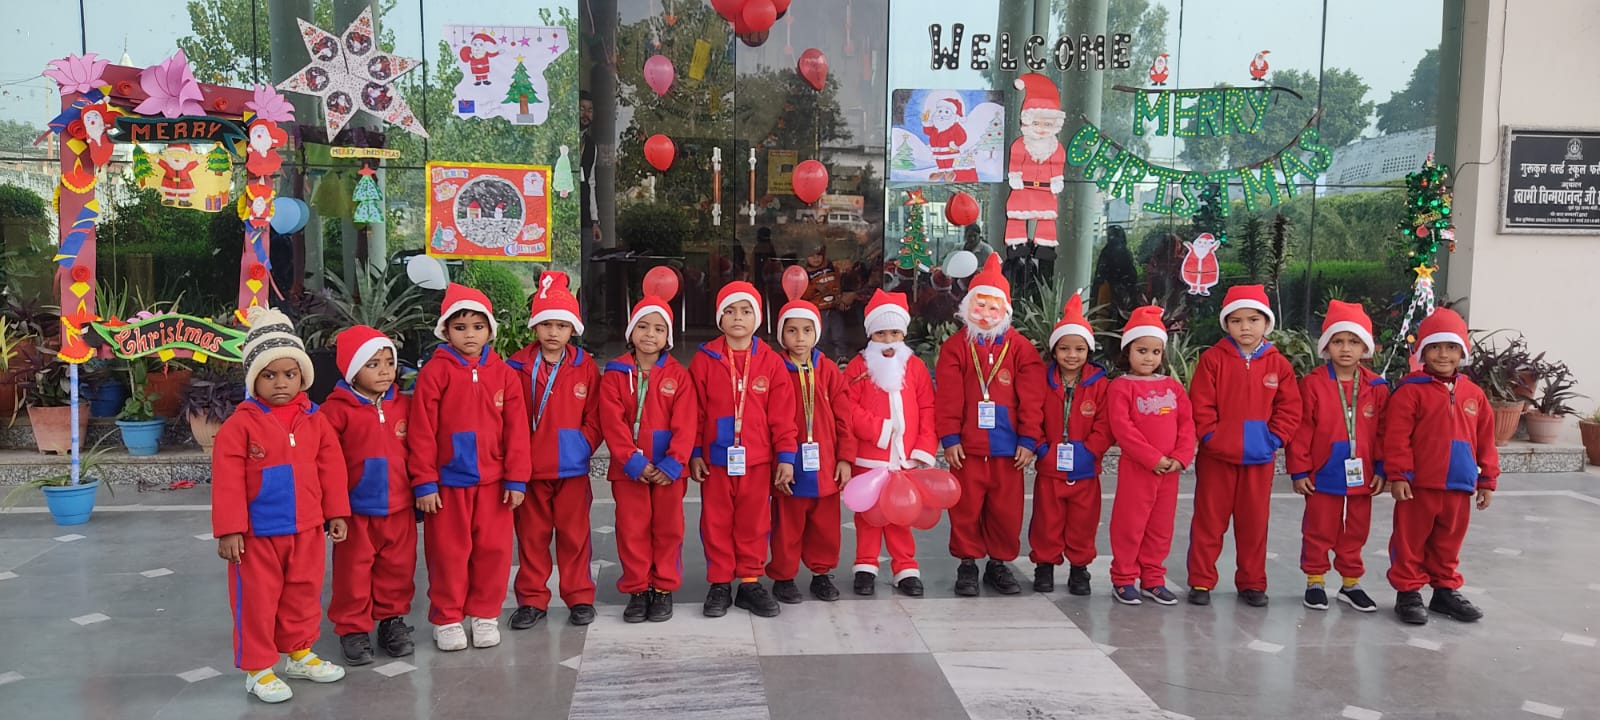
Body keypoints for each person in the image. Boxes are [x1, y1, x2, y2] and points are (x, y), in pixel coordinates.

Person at [212, 307, 350, 704]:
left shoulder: (315, 419)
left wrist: (336, 512)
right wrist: (230, 529)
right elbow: (227, 482)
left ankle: (299, 652)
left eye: (290, 374)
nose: (281, 383)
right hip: (257, 536)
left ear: (303, 376)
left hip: (307, 528)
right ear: (254, 377)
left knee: (303, 593)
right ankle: (257, 668)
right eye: (269, 375)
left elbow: (331, 467)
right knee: (256, 600)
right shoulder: (240, 426)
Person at [410, 284, 532, 651]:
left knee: (494, 552)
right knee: (448, 552)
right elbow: (421, 431)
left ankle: (484, 613)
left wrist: (517, 478)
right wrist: (425, 482)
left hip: (495, 484)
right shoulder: (434, 373)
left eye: (478, 327)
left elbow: (517, 431)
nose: (469, 334)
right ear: (445, 330)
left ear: (490, 331)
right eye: (460, 327)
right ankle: (447, 617)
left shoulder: (505, 374)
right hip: (447, 485)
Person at [935, 253, 1045, 596]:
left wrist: (1029, 440)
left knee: (1006, 513)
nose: (984, 314)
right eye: (978, 306)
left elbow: (1032, 399)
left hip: (1008, 450)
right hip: (966, 450)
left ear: (1005, 312)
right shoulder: (955, 348)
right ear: (967, 308)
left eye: (992, 307)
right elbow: (949, 398)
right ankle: (967, 564)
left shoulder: (1022, 349)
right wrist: (950, 437)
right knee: (965, 509)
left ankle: (998, 563)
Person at [1186, 284, 1302, 607]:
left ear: (1267, 323)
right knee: (1209, 520)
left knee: (1254, 524)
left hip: (1260, 460)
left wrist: (1274, 439)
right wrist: (1210, 436)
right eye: (1236, 321)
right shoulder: (1212, 360)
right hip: (1216, 459)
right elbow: (1201, 405)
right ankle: (1201, 580)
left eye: (1253, 319)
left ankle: (1252, 582)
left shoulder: (1279, 365)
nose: (1245, 327)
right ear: (1226, 324)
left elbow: (1290, 408)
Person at [688, 282, 799, 618]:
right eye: (731, 311)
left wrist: (786, 456)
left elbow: (783, 415)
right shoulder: (705, 359)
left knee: (754, 521)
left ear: (758, 318)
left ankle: (750, 581)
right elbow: (695, 411)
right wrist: (695, 451)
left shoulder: (771, 361)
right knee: (716, 521)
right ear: (720, 318)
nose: (738, 317)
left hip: (757, 459)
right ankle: (720, 582)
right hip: (716, 460)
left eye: (746, 311)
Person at [1384, 308, 1498, 625]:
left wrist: (1487, 479)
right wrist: (1398, 475)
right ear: (1422, 352)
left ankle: (1444, 592)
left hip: (1459, 486)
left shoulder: (1473, 394)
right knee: (1410, 540)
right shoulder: (1410, 390)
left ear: (1462, 351)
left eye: (1450, 347)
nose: (1443, 354)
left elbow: (1486, 440)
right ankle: (1407, 593)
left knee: (1449, 542)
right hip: (1418, 486)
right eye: (1434, 347)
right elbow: (1396, 437)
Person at [507, 273, 602, 629]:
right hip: (530, 470)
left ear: (572, 329)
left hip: (572, 469)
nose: (553, 332)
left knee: (575, 537)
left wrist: (583, 444)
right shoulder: (515, 367)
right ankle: (532, 599)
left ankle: (579, 596)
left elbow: (596, 416)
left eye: (561, 325)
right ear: (535, 326)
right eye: (546, 323)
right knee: (532, 538)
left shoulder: (585, 366)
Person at [601, 286, 698, 622]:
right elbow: (611, 424)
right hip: (629, 470)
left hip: (669, 472)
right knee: (631, 529)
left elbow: (687, 424)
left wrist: (673, 463)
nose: (649, 334)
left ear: (668, 337)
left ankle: (664, 587)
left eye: (659, 329)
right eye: (643, 326)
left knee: (669, 528)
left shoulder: (679, 376)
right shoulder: (614, 374)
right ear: (631, 331)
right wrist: (633, 461)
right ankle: (638, 588)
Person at [1287, 301, 1390, 613]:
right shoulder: (1314, 384)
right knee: (1319, 526)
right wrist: (1300, 469)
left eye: (1354, 342)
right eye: (1338, 341)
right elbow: (1302, 428)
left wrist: (1383, 468)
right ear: (1326, 345)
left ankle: (1350, 583)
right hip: (1323, 472)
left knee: (1356, 528)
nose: (1346, 349)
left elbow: (1387, 431)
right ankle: (1315, 580)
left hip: (1364, 473)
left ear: (1365, 348)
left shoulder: (1377, 386)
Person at [323, 326, 416, 667]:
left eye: (389, 362)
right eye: (372, 364)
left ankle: (391, 622)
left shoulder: (404, 405)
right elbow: (327, 465)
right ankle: (353, 628)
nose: (384, 371)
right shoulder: (334, 413)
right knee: (353, 572)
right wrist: (334, 510)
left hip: (399, 507)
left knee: (398, 569)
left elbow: (419, 451)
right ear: (351, 370)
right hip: (356, 511)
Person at [846, 290, 939, 596]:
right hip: (870, 457)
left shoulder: (914, 367)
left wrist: (924, 446)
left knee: (903, 513)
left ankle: (905, 567)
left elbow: (927, 407)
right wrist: (879, 430)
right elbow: (847, 407)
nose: (888, 340)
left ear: (903, 333)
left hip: (905, 458)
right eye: (881, 333)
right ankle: (865, 565)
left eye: (894, 333)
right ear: (871, 333)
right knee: (869, 516)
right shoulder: (859, 367)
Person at [768, 296, 856, 603]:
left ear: (817, 333)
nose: (800, 338)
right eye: (792, 331)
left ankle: (821, 573)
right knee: (786, 526)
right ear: (782, 335)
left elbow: (845, 418)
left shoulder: (829, 370)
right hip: (789, 463)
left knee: (826, 526)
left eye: (807, 330)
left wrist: (845, 458)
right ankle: (784, 576)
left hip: (826, 463)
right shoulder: (774, 369)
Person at [1105, 306, 1195, 605]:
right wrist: (1152, 458)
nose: (1149, 357)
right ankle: (1124, 577)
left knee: (1160, 526)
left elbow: (1186, 423)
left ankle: (1153, 578)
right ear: (1127, 351)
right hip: (1139, 469)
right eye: (1141, 350)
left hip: (1168, 472)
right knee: (1130, 525)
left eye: (1156, 352)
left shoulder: (1172, 387)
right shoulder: (1120, 387)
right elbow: (1123, 428)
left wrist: (1180, 458)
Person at [1027, 293, 1113, 595]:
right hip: (1050, 467)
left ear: (1088, 351)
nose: (1072, 355)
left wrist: (1091, 452)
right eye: (1064, 349)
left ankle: (1080, 569)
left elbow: (1106, 423)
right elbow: (1031, 416)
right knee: (1046, 521)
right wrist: (1042, 449)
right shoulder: (1041, 380)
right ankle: (1044, 567)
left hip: (1086, 469)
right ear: (1054, 350)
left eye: (1079, 349)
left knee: (1083, 523)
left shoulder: (1100, 385)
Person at [802, 244, 848, 360]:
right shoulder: (805, 274)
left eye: (819, 255)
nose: (816, 258)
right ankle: (819, 359)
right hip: (818, 310)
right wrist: (814, 287)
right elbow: (803, 295)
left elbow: (837, 283)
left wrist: (839, 297)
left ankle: (841, 357)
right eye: (811, 256)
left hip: (834, 307)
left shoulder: (831, 268)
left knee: (839, 334)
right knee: (821, 336)